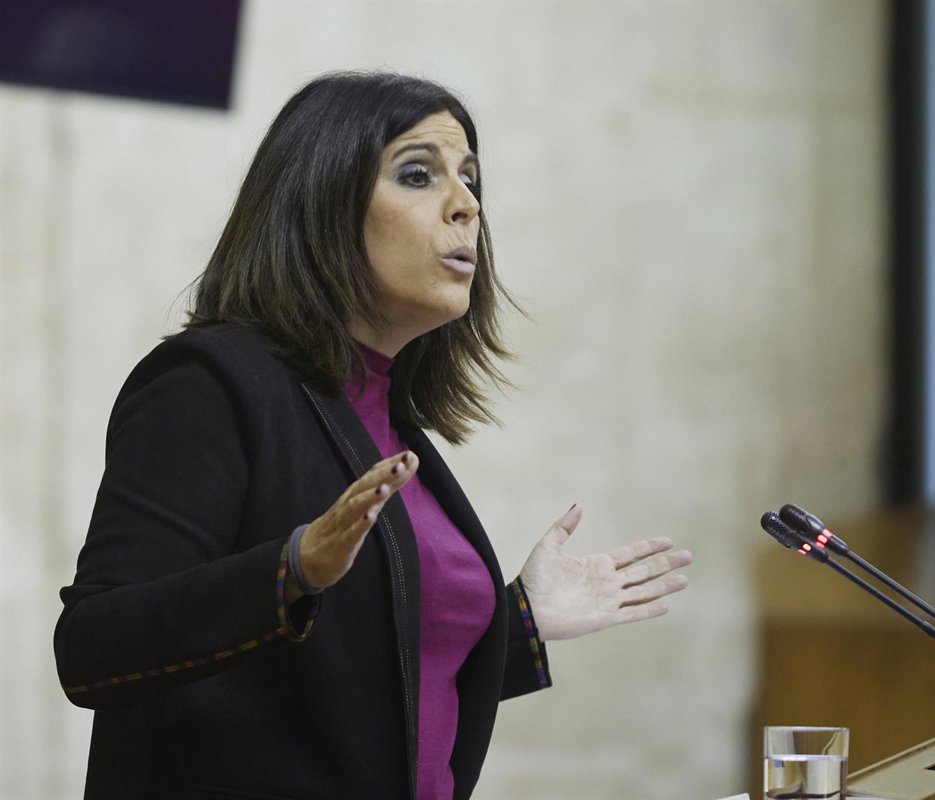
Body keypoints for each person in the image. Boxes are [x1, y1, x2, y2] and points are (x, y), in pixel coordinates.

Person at [54, 70, 692, 800]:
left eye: (472, 180)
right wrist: (291, 570)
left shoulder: (383, 418)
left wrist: (518, 620)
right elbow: (93, 649)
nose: (467, 205)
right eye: (418, 174)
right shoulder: (210, 383)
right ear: (323, 202)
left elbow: (357, 690)